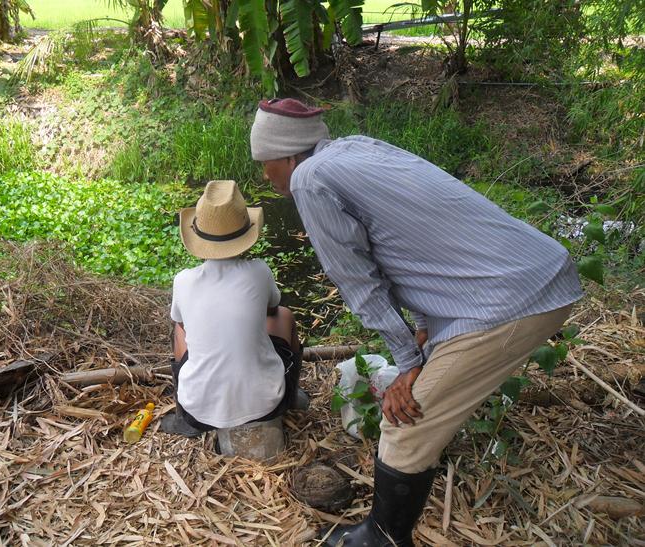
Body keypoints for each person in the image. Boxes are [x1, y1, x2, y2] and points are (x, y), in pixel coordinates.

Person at [250, 99, 583, 546]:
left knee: (406, 424)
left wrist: (409, 362)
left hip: (506, 300)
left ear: (288, 157)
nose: (264, 177)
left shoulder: (311, 180)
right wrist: (423, 325)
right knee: (420, 398)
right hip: (526, 275)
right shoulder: (355, 150)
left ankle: (385, 537)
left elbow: (358, 280)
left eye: (265, 164)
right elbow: (416, 240)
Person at [161, 179, 307, 438]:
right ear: (245, 233)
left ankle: (184, 419)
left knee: (179, 328)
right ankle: (292, 398)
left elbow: (184, 326)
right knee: (285, 315)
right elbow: (273, 312)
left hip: (198, 411)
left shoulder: (183, 280)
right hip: (267, 406)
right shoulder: (259, 271)